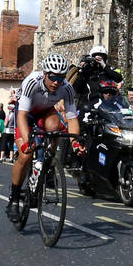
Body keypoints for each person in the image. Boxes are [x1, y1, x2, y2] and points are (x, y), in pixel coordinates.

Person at [7, 52, 85, 221]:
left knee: (55, 126)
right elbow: (21, 116)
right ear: (44, 74)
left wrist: (75, 142)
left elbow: (72, 118)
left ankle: (49, 161)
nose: (56, 82)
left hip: (45, 112)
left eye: (61, 78)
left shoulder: (67, 88)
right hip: (25, 113)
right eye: (52, 77)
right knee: (25, 155)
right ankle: (13, 198)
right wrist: (27, 142)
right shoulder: (32, 82)